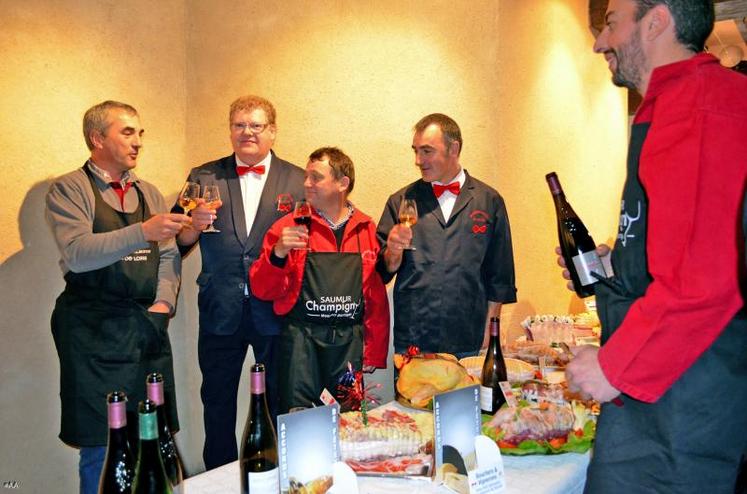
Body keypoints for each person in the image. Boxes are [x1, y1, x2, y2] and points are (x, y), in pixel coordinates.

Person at [558, 1, 747, 492]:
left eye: (612, 24)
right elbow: (693, 238)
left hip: (684, 406)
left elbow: (704, 280)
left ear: (656, 20)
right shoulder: (669, 103)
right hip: (668, 394)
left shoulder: (700, 104)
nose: (600, 42)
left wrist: (614, 366)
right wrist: (618, 261)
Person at [46, 101, 187, 494]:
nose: (138, 142)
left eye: (140, 133)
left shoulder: (149, 192)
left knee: (155, 441)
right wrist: (143, 231)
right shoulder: (69, 189)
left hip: (145, 330)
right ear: (97, 139)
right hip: (92, 334)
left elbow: (170, 255)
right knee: (102, 448)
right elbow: (77, 252)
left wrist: (163, 305)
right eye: (127, 132)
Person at [174, 95, 304, 470]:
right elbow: (179, 243)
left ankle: (277, 477)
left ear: (273, 132)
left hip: (276, 311)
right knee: (217, 404)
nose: (247, 132)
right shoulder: (203, 176)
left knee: (279, 403)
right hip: (219, 309)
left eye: (256, 125)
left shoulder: (297, 180)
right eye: (239, 125)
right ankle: (219, 480)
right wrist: (191, 229)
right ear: (230, 130)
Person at [250, 147, 390, 413]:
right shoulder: (288, 227)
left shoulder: (365, 228)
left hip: (348, 349)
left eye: (316, 177)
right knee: (299, 427)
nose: (306, 184)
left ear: (342, 183)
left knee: (347, 427)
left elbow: (373, 295)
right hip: (301, 347)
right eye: (306, 176)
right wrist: (278, 253)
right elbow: (262, 289)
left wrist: (373, 350)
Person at [377, 113, 517, 357]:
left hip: (468, 335)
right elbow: (383, 271)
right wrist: (393, 251)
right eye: (416, 151)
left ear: (454, 148)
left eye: (427, 151)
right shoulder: (400, 201)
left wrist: (491, 327)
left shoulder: (489, 201)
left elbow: (500, 273)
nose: (418, 160)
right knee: (413, 397)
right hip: (414, 337)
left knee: (468, 396)